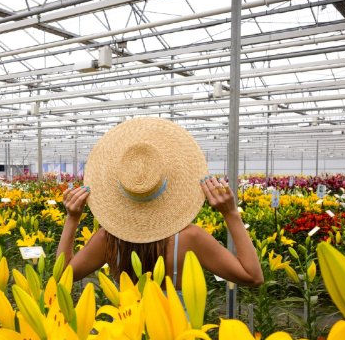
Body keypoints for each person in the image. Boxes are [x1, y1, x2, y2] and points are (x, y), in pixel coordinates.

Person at [56, 117, 263, 290]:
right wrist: (231, 214)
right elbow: (253, 276)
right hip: (175, 337)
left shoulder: (109, 239)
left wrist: (72, 218)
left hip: (125, 333)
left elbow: (63, 275)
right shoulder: (190, 238)